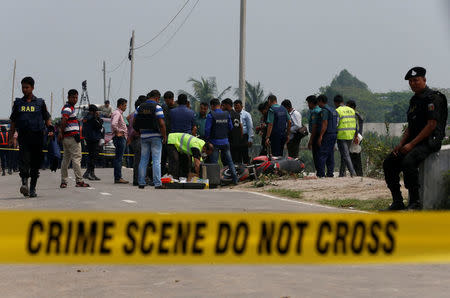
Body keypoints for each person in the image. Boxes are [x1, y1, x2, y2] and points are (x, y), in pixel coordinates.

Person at [383, 67, 448, 210]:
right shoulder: (414, 100)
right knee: (389, 162)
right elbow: (410, 127)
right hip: (414, 141)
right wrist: (401, 144)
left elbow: (431, 125)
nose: (413, 83)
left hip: (429, 141)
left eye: (416, 80)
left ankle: (415, 202)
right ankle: (397, 201)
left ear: (424, 80)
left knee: (409, 161)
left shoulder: (434, 98)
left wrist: (411, 145)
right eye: (410, 81)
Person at [9, 77, 54, 197]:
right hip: (24, 137)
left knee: (35, 164)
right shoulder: (18, 103)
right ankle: (24, 184)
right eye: (23, 87)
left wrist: (50, 129)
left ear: (32, 88)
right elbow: (13, 121)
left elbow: (46, 118)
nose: (24, 89)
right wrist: (10, 137)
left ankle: (33, 188)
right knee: (24, 161)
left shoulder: (40, 103)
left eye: (27, 87)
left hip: (38, 137)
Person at [133, 89, 167, 189]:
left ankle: (141, 182)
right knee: (156, 160)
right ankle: (157, 183)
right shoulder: (157, 107)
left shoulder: (139, 107)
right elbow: (161, 123)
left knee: (143, 160)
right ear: (157, 98)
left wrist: (139, 131)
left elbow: (134, 122)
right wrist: (164, 136)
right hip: (156, 136)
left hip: (144, 136)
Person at [59, 89, 90, 189]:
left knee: (66, 160)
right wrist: (60, 132)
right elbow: (64, 121)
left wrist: (62, 133)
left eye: (76, 97)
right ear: (68, 97)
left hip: (67, 138)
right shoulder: (68, 108)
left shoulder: (69, 108)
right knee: (76, 159)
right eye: (73, 97)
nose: (75, 99)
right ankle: (79, 181)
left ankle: (64, 181)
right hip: (72, 137)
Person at [205, 98, 239, 184]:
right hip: (225, 141)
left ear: (212, 106)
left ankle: (216, 181)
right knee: (230, 161)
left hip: (215, 142)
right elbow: (231, 127)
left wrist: (207, 141)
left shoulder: (210, 115)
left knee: (215, 163)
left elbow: (207, 130)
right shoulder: (226, 114)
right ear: (219, 105)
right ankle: (235, 179)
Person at [334, 95, 357, 177]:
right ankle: (341, 173)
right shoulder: (351, 110)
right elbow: (355, 123)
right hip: (350, 135)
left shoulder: (337, 110)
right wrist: (356, 135)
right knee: (344, 155)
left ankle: (352, 172)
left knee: (346, 155)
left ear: (335, 103)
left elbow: (336, 124)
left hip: (342, 135)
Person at [127, 95, 147, 186]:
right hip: (138, 137)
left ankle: (137, 179)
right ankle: (139, 179)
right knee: (140, 160)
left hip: (134, 139)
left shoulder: (131, 115)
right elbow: (135, 129)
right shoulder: (138, 115)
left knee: (137, 160)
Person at [316, 95, 338, 178]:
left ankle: (321, 174)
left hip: (327, 134)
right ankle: (330, 173)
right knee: (330, 154)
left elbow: (325, 124)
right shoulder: (333, 110)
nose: (318, 104)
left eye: (318, 102)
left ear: (321, 101)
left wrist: (320, 136)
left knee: (322, 154)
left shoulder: (325, 111)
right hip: (334, 134)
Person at [82, 104, 103, 181]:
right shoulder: (92, 118)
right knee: (93, 157)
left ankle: (90, 173)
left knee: (91, 156)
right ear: (93, 111)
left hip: (88, 139)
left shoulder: (86, 117)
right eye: (96, 111)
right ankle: (89, 173)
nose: (97, 112)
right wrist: (98, 118)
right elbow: (99, 125)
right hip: (93, 139)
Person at [111, 98, 129, 184]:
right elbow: (114, 123)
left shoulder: (118, 113)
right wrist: (117, 131)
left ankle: (118, 177)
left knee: (118, 157)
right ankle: (118, 177)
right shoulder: (117, 113)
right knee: (119, 158)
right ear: (121, 105)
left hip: (121, 137)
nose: (126, 107)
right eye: (125, 105)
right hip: (120, 138)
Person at [221, 98, 242, 163]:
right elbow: (240, 127)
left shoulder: (226, 115)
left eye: (223, 105)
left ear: (227, 105)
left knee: (227, 161)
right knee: (236, 160)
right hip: (237, 141)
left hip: (230, 141)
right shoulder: (237, 114)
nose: (222, 107)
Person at [161, 91, 177, 175]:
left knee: (172, 157)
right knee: (163, 157)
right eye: (165, 101)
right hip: (165, 135)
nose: (166, 103)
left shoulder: (176, 108)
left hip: (173, 136)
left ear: (172, 99)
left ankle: (172, 174)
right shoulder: (164, 107)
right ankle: (161, 174)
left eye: (168, 101)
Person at [346, 100, 364, 177]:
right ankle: (357, 173)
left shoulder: (354, 114)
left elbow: (356, 127)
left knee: (355, 156)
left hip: (356, 137)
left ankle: (358, 173)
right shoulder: (356, 114)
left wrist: (356, 136)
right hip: (356, 137)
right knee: (354, 156)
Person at [234, 99, 254, 164]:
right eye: (235, 107)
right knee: (237, 155)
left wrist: (250, 139)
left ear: (242, 107)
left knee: (245, 155)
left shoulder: (246, 114)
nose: (236, 108)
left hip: (244, 137)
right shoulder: (233, 114)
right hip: (236, 138)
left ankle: (247, 170)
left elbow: (250, 126)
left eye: (238, 107)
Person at [306, 95, 322, 176]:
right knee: (321, 154)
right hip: (322, 135)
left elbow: (314, 127)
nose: (308, 105)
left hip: (316, 135)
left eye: (308, 103)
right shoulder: (321, 110)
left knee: (316, 155)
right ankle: (321, 171)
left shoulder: (315, 112)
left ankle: (319, 172)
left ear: (312, 103)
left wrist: (310, 141)